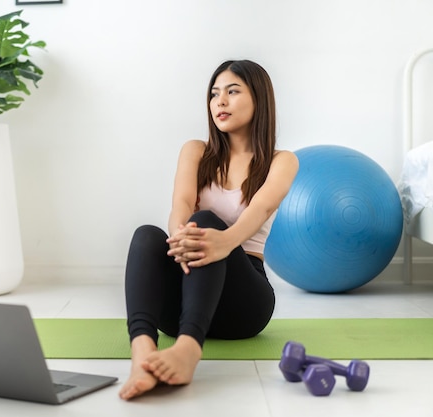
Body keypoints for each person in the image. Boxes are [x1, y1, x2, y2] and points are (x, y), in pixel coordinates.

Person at [118, 59, 299, 401]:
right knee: (147, 234)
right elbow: (181, 206)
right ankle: (142, 351)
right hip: (184, 302)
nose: (220, 101)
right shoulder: (196, 151)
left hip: (244, 305)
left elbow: (259, 211)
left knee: (205, 221)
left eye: (232, 91)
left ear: (259, 99)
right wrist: (180, 238)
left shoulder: (282, 160)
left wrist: (223, 241)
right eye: (215, 94)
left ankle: (188, 350)